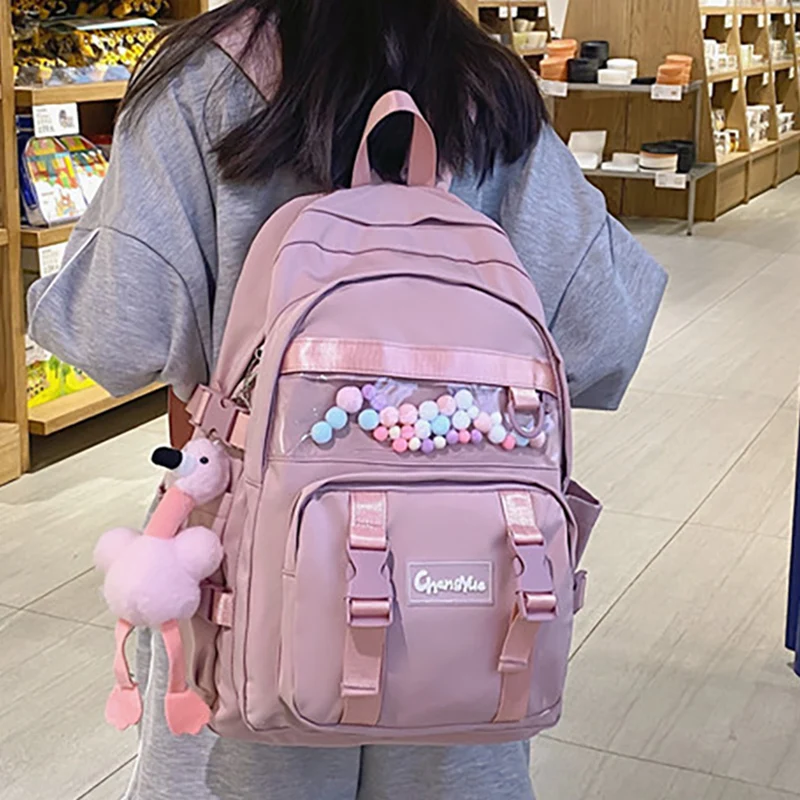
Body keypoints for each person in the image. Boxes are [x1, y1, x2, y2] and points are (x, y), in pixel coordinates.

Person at [27, 1, 666, 797]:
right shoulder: (489, 90)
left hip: (252, 576)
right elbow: (606, 328)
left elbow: (114, 330)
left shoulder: (201, 83)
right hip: (468, 566)